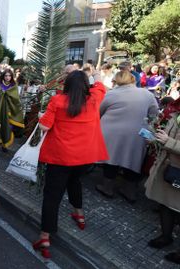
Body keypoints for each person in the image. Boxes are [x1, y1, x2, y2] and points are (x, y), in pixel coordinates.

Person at [32, 70, 108, 259]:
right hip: (85, 158)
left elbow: (44, 127)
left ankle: (45, 237)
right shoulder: (94, 99)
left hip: (60, 158)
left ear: (66, 85)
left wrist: (42, 115)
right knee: (74, 183)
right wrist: (96, 75)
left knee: (52, 196)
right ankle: (79, 215)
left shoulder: (57, 101)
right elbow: (100, 86)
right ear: (85, 85)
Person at [96, 71, 158, 202]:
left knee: (112, 159)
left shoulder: (112, 93)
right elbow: (154, 113)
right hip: (137, 132)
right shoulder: (147, 94)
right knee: (133, 159)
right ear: (133, 80)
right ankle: (129, 191)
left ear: (117, 81)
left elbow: (100, 111)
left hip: (111, 131)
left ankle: (107, 188)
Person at [144, 98, 180, 265]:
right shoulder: (177, 112)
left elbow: (171, 141)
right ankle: (165, 237)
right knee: (165, 204)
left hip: (176, 171)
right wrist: (156, 140)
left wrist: (169, 142)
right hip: (169, 168)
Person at [0, 68, 24, 151]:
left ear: (12, 77)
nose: (7, 77)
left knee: (7, 128)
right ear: (3, 76)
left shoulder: (14, 86)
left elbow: (16, 99)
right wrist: (1, 94)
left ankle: (5, 145)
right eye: (6, 75)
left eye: (9, 76)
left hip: (9, 112)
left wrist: (7, 95)